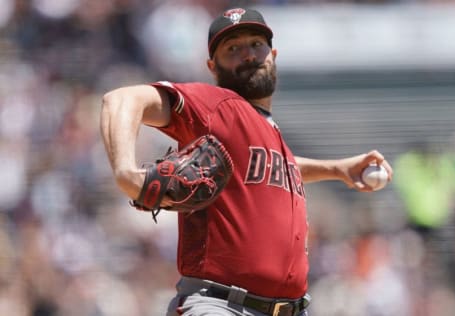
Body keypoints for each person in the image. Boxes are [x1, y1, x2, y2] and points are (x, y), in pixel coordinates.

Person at [100, 7, 393, 316]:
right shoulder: (216, 106)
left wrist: (336, 169)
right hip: (222, 305)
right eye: (233, 49)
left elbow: (281, 165)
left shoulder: (266, 130)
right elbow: (121, 100)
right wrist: (125, 173)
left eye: (256, 44)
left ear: (273, 54)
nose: (248, 54)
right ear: (213, 67)